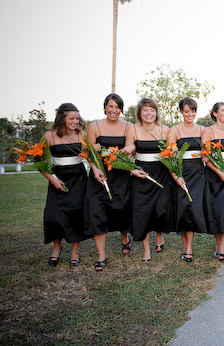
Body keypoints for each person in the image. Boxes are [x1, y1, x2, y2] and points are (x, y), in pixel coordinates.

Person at [84, 93, 133, 271]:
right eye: (111, 106)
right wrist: (95, 168)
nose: (114, 110)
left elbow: (129, 150)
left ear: (121, 109)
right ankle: (101, 256)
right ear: (105, 106)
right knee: (98, 212)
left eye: (118, 107)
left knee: (121, 210)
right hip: (99, 175)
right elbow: (89, 152)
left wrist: (126, 151)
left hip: (120, 175)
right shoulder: (94, 127)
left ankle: (125, 238)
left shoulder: (128, 126)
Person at [125, 98, 173, 262]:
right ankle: (147, 250)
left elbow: (171, 151)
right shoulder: (133, 130)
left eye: (152, 110)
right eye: (145, 110)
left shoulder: (165, 130)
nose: (149, 113)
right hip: (141, 175)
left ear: (156, 113)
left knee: (160, 210)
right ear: (139, 113)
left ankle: (159, 234)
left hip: (161, 174)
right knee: (142, 213)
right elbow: (127, 156)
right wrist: (133, 170)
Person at [41, 103, 89, 267]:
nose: (76, 121)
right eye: (72, 118)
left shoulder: (81, 135)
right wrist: (53, 179)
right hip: (58, 178)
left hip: (78, 178)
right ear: (62, 118)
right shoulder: (49, 135)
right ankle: (57, 248)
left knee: (75, 214)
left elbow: (90, 156)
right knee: (52, 214)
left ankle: (75, 252)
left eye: (77, 118)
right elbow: (39, 162)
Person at [167, 97, 206, 263]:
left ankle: (189, 247)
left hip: (198, 174)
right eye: (187, 111)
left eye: (193, 111)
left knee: (193, 208)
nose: (190, 114)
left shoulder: (203, 130)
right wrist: (176, 176)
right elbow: (170, 156)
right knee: (182, 210)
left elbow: (206, 153)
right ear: (181, 112)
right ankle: (185, 245)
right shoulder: (174, 130)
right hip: (181, 173)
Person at [202, 102, 224, 261]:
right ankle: (218, 244)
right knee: (215, 211)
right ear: (215, 114)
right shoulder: (208, 131)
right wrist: (218, 172)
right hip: (213, 173)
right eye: (223, 110)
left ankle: (222, 245)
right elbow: (205, 157)